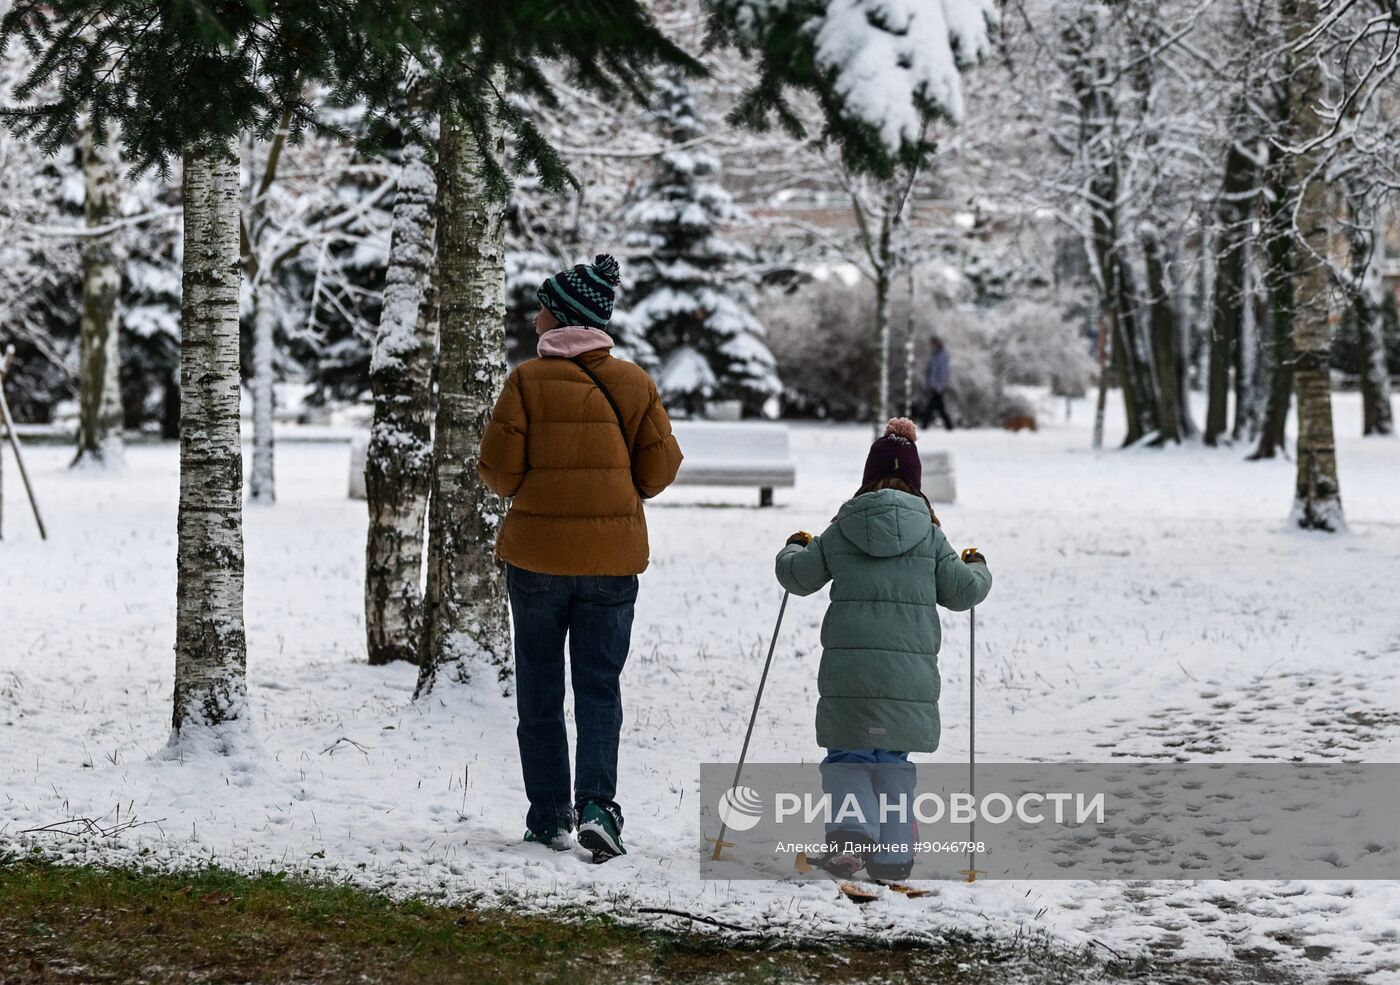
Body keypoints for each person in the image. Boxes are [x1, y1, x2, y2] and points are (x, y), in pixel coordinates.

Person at [478, 253, 684, 863]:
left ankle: (547, 817)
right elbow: (661, 468)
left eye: (542, 307)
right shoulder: (635, 383)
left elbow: (497, 472)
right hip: (612, 565)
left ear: (561, 316)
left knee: (539, 689)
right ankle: (598, 807)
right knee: (599, 688)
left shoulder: (525, 383)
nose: (535, 317)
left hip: (537, 563)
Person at [773, 418, 991, 883]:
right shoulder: (931, 536)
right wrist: (978, 564)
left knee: (849, 757)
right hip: (905, 681)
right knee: (892, 764)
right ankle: (894, 858)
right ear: (916, 482)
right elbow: (963, 593)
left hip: (849, 677)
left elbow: (798, 577)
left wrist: (793, 547)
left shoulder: (842, 527)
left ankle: (850, 840)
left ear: (867, 476)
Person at [920, 336, 955, 431]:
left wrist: (940, 386)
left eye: (932, 344)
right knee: (939, 408)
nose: (931, 346)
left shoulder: (942, 356)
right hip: (934, 386)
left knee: (932, 407)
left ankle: (924, 425)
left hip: (939, 387)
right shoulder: (935, 355)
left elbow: (943, 372)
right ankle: (949, 426)